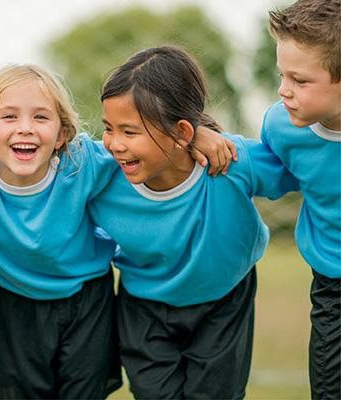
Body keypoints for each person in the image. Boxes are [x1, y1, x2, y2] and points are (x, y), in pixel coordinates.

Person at [0, 61, 236, 398]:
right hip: (15, 303)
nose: (25, 128)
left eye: (40, 117)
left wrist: (195, 133)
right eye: (9, 117)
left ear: (63, 135)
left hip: (87, 303)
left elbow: (147, 140)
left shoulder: (82, 162)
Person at [88, 46, 300, 399]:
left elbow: (299, 168)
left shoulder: (230, 161)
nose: (114, 144)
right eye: (109, 128)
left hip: (223, 300)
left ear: (183, 132)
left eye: (129, 131)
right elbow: (51, 160)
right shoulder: (101, 173)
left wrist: (196, 132)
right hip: (144, 306)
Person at [262, 1, 340, 398]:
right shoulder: (281, 125)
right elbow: (265, 171)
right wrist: (208, 140)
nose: (283, 90)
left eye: (300, 80)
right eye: (282, 75)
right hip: (333, 286)